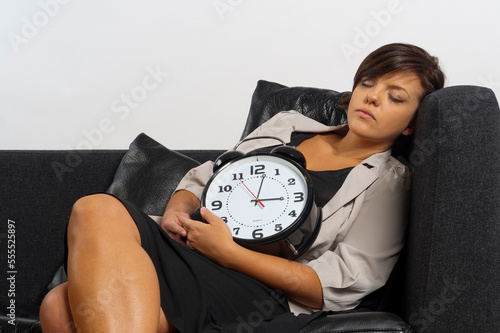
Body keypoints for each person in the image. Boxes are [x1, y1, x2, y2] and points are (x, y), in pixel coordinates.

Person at [39, 43, 445, 333]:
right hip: (192, 248)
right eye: (369, 83)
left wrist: (230, 253)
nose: (373, 98)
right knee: (95, 209)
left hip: (255, 286)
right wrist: (179, 210)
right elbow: (204, 177)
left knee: (62, 308)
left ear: (411, 124)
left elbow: (342, 282)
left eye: (395, 97)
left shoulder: (390, 181)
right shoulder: (289, 125)